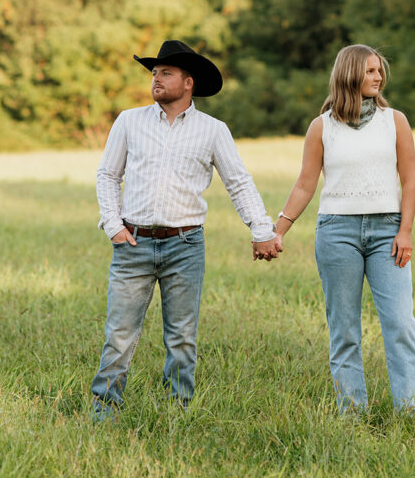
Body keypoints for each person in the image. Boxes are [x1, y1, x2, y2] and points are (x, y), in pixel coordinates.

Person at [91, 39, 282, 419]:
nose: (156, 79)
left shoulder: (213, 131)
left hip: (185, 244)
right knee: (120, 334)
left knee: (181, 336)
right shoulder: (129, 121)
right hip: (133, 242)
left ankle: (176, 409)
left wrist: (262, 229)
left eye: (166, 73)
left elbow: (238, 182)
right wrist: (113, 226)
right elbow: (108, 175)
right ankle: (104, 408)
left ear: (188, 82)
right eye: (154, 73)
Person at [272, 44, 415, 413]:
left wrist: (405, 232)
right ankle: (352, 413)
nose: (378, 77)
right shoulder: (322, 127)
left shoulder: (395, 120)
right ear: (349, 74)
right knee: (344, 331)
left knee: (401, 325)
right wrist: (278, 230)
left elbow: (411, 179)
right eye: (370, 71)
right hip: (337, 232)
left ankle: (410, 414)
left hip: (388, 231)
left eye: (379, 71)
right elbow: (305, 184)